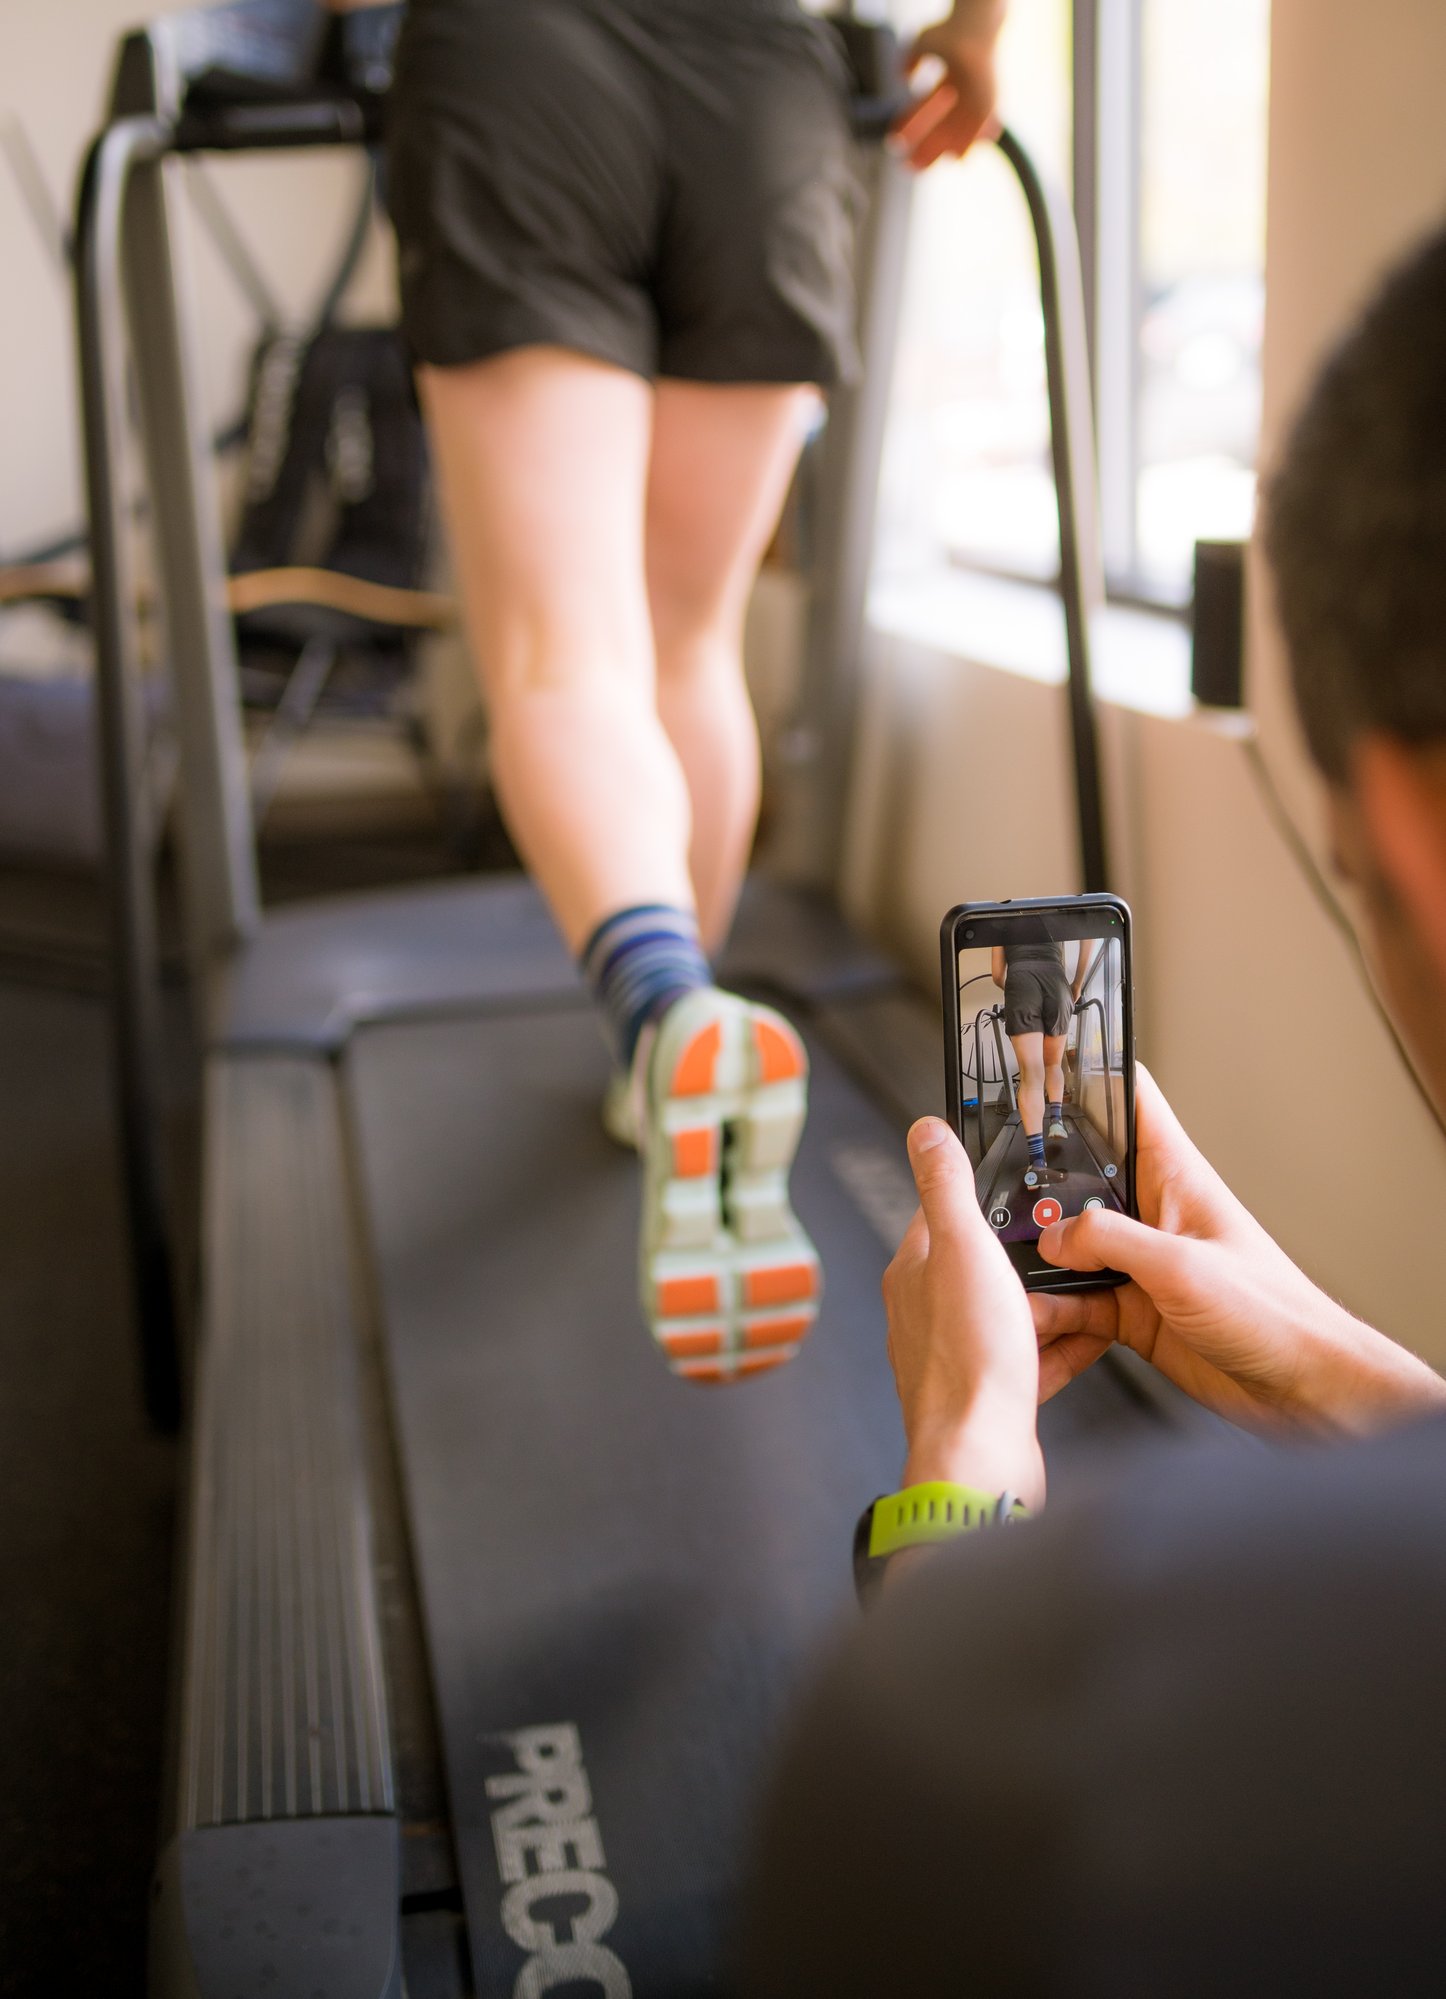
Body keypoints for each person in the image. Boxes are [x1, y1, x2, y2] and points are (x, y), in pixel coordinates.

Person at [741, 226, 1446, 1991]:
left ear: (1410, 834)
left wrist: (961, 1475)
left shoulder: (1110, 1700)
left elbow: (910, 1885)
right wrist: (1352, 1384)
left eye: (1347, 869)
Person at [383, 0, 1011, 1376]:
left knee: (567, 652)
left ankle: (666, 1014)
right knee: (689, 641)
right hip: (767, 75)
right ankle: (669, 1054)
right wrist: (977, 28)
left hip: (521, 59)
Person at [992, 936, 1095, 1184]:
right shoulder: (1055, 915)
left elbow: (996, 975)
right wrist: (1077, 983)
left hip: (1019, 979)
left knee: (1031, 1074)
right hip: (1057, 981)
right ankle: (1057, 1119)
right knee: (1052, 1064)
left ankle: (1037, 1163)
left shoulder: (1003, 921)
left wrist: (1017, 989)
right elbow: (1087, 936)